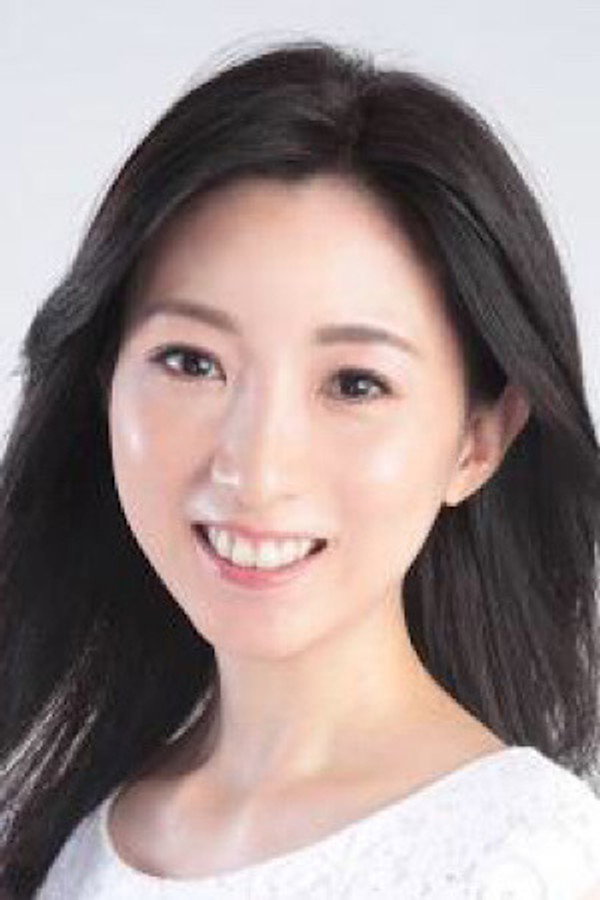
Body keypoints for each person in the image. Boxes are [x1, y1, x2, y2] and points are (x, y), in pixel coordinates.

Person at [1, 37, 599, 899]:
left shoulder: (523, 859)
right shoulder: (66, 827)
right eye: (192, 362)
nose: (257, 467)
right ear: (105, 382)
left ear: (478, 441)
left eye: (355, 384)